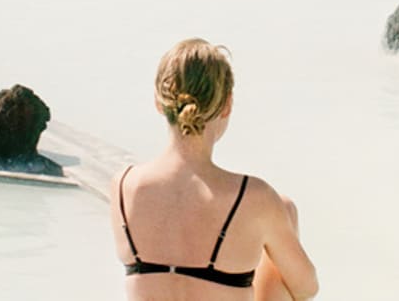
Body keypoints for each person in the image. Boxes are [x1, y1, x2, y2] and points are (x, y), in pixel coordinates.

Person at [110, 39, 318, 301]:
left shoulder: (123, 187)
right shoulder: (254, 197)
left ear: (158, 102)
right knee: (283, 210)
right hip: (256, 215)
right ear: (227, 105)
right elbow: (306, 288)